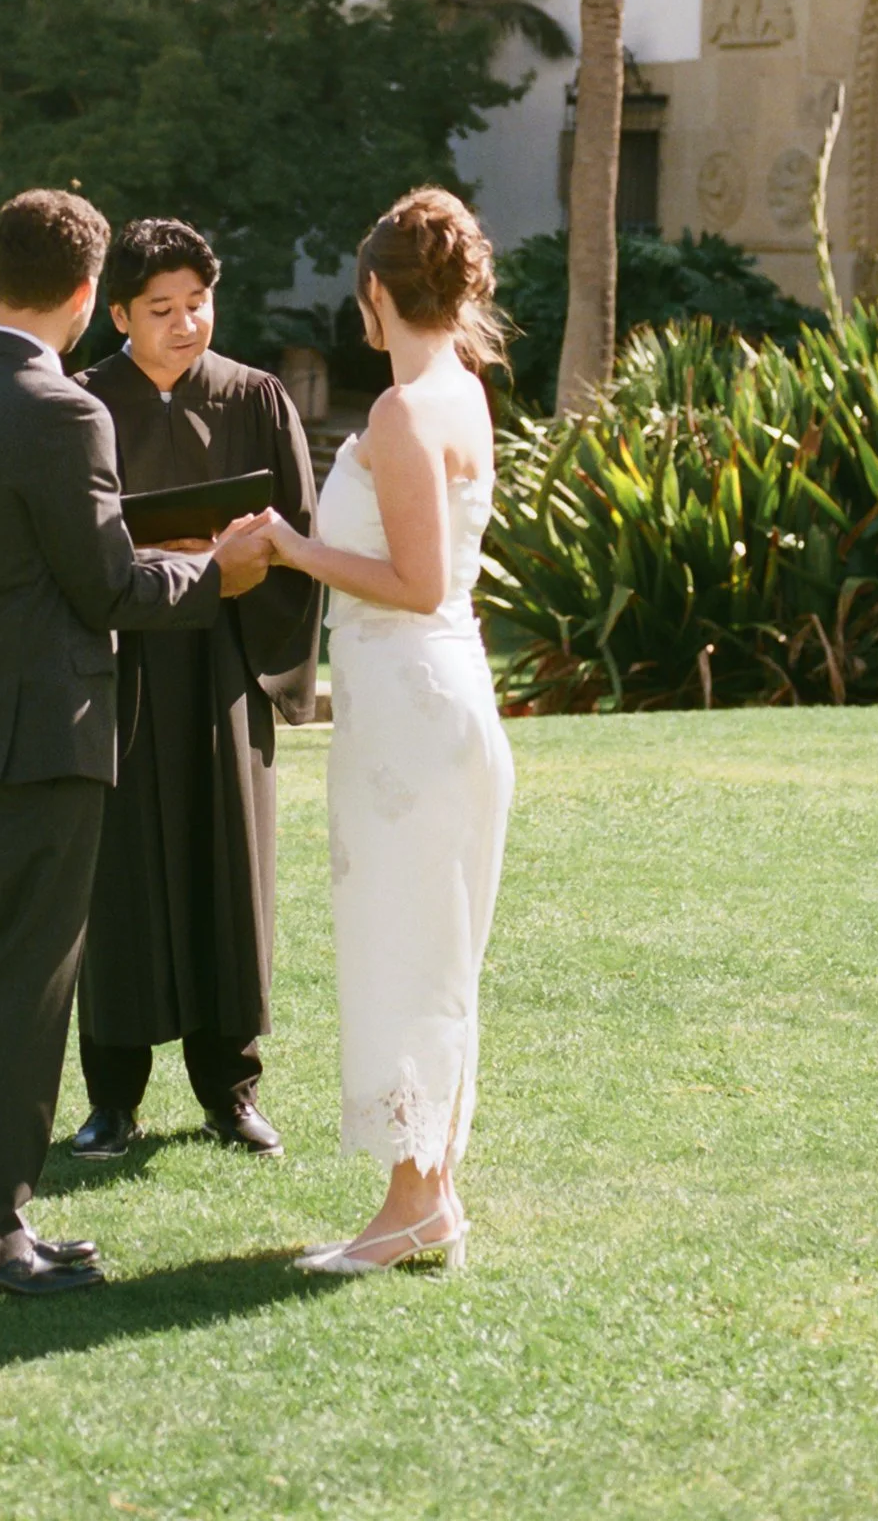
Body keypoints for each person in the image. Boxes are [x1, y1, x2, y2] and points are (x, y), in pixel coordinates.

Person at [0, 185, 270, 1300]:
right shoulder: (65, 409)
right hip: (41, 744)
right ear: (86, 295)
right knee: (20, 996)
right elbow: (109, 584)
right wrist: (221, 570)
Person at [243, 187, 514, 1278]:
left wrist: (291, 548)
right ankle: (428, 1193)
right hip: (437, 696)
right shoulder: (464, 393)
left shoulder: (407, 414)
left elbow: (417, 579)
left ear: (372, 295)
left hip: (411, 703)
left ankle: (412, 1203)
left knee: (407, 945)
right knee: (432, 944)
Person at [70, 217, 322, 1161]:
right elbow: (68, 549)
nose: (186, 324)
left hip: (221, 668)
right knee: (120, 880)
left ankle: (232, 1088)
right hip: (121, 666)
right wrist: (162, 560)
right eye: (162, 309)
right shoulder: (82, 404)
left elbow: (297, 541)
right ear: (121, 313)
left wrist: (235, 567)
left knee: (229, 872)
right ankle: (113, 1098)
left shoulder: (255, 398)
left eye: (199, 304)